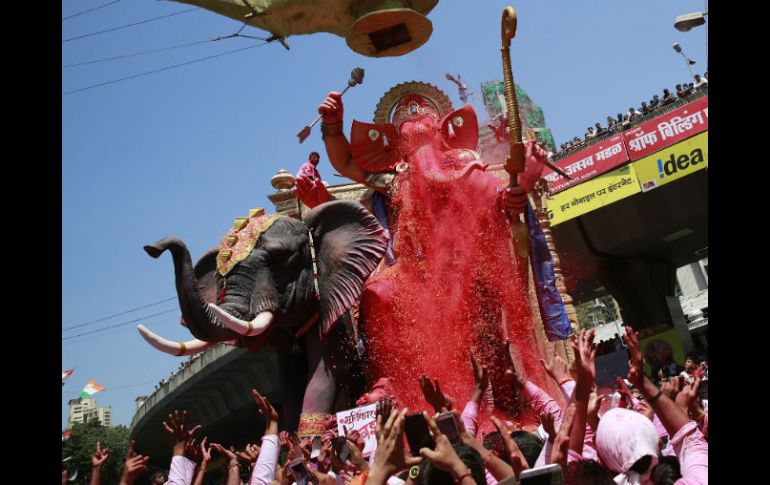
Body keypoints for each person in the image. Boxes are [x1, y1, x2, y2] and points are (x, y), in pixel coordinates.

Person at [316, 81, 567, 419]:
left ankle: (505, 404)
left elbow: (496, 196)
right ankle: (395, 388)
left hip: (467, 272)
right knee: (377, 291)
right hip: (415, 282)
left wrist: (515, 192)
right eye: (407, 130)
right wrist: (333, 125)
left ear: (445, 130)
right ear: (396, 144)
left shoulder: (464, 164)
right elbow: (346, 161)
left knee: (486, 323)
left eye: (426, 125)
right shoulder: (394, 177)